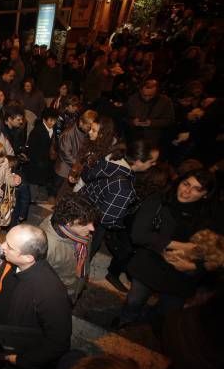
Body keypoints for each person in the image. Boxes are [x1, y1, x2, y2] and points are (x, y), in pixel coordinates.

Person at [116, 169, 219, 328]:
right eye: (186, 184)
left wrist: (194, 266)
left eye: (196, 189)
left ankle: (149, 319)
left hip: (181, 277)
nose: (187, 191)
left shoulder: (211, 216)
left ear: (205, 194)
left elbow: (216, 254)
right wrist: (180, 245)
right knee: (134, 301)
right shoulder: (159, 200)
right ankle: (126, 320)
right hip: (149, 266)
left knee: (167, 313)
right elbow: (139, 235)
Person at [0, 224, 72, 369]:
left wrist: (20, 360)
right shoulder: (12, 261)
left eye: (9, 245)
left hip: (22, 351)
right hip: (3, 332)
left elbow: (58, 342)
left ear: (28, 257)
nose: (2, 246)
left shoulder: (50, 292)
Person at [80, 139, 160, 265]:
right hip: (91, 226)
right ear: (138, 162)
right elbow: (107, 219)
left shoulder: (112, 159)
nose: (154, 164)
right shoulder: (123, 187)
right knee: (79, 262)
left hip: (81, 207)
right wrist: (120, 225)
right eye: (152, 161)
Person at [39, 194, 97, 304]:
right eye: (85, 223)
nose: (92, 228)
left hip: (75, 286)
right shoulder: (47, 247)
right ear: (68, 222)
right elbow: (40, 284)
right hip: (59, 295)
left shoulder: (80, 233)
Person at [54, 110, 96, 196]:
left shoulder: (85, 133)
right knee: (60, 193)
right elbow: (65, 153)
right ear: (81, 122)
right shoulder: (68, 133)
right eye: (88, 127)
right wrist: (79, 166)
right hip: (64, 169)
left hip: (74, 169)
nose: (90, 130)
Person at [126, 78, 175, 147]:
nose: (147, 98)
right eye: (144, 95)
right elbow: (124, 117)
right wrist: (132, 122)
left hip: (153, 139)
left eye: (151, 95)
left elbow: (170, 120)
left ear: (157, 92)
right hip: (133, 137)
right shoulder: (132, 99)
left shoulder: (165, 101)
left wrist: (152, 123)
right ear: (140, 91)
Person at [24, 107, 58, 196]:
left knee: (40, 181)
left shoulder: (52, 130)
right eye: (50, 120)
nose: (53, 123)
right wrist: (39, 161)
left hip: (45, 162)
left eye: (54, 120)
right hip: (37, 163)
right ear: (44, 119)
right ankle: (32, 198)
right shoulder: (37, 131)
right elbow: (31, 149)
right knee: (34, 183)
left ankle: (35, 196)